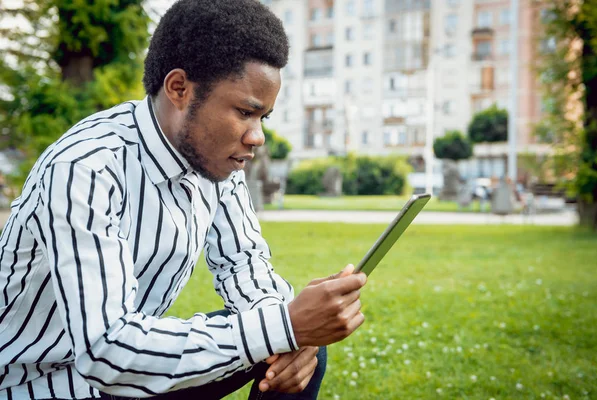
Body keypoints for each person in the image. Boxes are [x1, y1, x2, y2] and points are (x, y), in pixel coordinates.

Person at [0, 1, 367, 399]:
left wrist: (292, 330)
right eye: (246, 111)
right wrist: (284, 325)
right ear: (179, 88)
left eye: (264, 118)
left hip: (126, 380)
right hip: (43, 384)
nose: (257, 136)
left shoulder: (215, 161)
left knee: (294, 348)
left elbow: (244, 265)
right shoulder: (86, 166)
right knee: (280, 330)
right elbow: (106, 351)